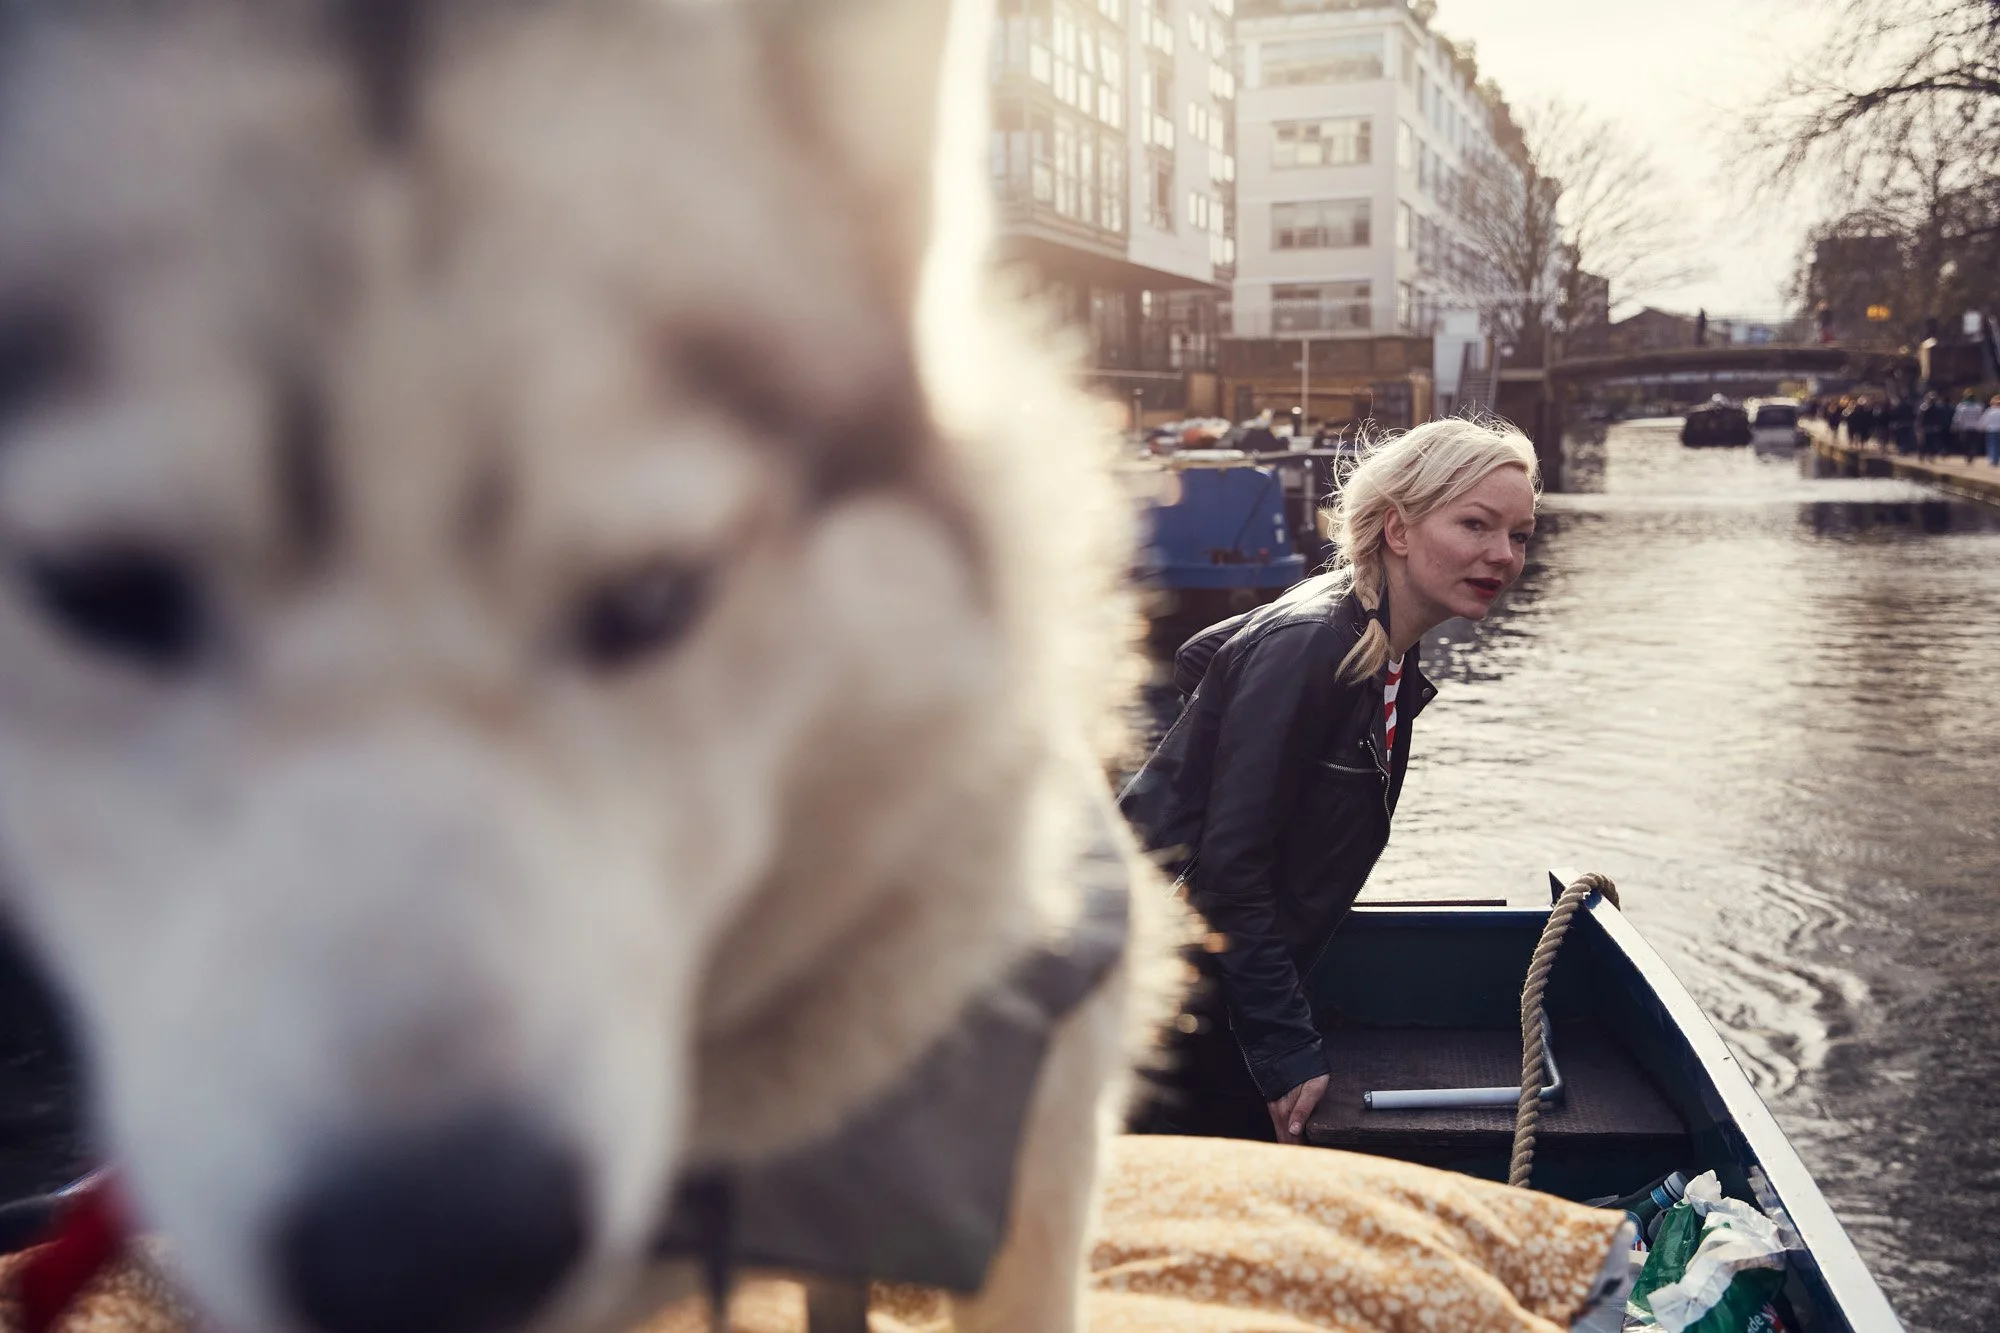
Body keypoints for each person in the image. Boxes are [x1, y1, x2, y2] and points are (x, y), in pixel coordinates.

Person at [1121, 419, 1539, 1143]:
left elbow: (1202, 653)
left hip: (1217, 990)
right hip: (1164, 1006)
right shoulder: (1315, 642)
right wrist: (1284, 1046)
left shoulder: (1380, 653)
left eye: (1520, 534)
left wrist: (1217, 734)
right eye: (1475, 523)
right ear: (1397, 530)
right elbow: (1229, 868)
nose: (1501, 554)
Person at [1919, 392, 1953, 460]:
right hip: (1927, 428)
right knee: (1926, 442)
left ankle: (1931, 456)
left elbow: (1939, 418)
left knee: (1932, 442)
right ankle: (1922, 455)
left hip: (1933, 427)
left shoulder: (1937, 408)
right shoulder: (1925, 407)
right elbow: (1922, 418)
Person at [1954, 391, 1985, 459]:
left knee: (1965, 442)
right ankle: (1972, 451)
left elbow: (1958, 418)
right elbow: (1981, 417)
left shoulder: (1962, 407)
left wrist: (1956, 426)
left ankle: (1968, 453)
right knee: (1973, 442)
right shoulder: (1979, 407)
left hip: (1965, 427)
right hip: (1975, 427)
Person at [1984, 395, 2000, 468]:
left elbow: (1984, 420)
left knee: (1993, 446)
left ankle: (1993, 461)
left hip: (1992, 430)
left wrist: (1979, 428)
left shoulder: (1990, 410)